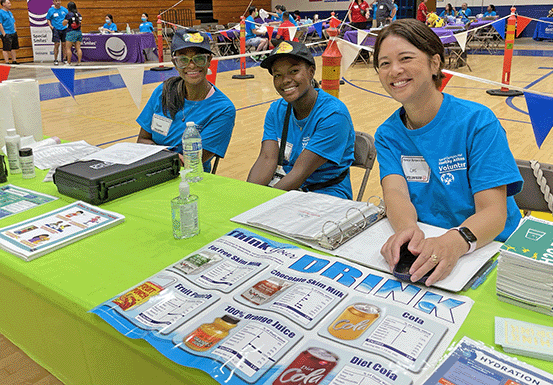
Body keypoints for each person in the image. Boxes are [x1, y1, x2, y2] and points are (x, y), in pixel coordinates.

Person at [372, 19, 523, 286]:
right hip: (428, 243)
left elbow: (494, 213)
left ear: (434, 64)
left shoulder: (477, 122)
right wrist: (408, 230)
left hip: (487, 247)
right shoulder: (387, 134)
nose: (394, 70)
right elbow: (395, 192)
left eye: (405, 58)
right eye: (384, 63)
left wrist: (456, 241)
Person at [247, 41, 355, 199]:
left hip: (326, 194)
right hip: (288, 187)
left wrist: (263, 201)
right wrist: (247, 195)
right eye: (278, 75)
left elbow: (300, 172)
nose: (285, 80)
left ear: (311, 72)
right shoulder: (276, 110)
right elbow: (267, 159)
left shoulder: (333, 115)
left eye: (294, 71)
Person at [136, 28, 235, 173]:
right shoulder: (162, 92)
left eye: (199, 58)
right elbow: (142, 140)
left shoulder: (222, 109)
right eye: (183, 59)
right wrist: (171, 155)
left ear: (209, 61)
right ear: (175, 63)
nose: (192, 65)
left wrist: (160, 154)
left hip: (192, 180)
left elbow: (192, 162)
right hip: (152, 172)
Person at [46, 0, 69, 65]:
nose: (58, 2)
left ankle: (64, 59)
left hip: (64, 29)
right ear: (53, 2)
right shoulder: (51, 10)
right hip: (56, 29)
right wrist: (50, 26)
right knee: (57, 44)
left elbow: (69, 17)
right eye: (56, 1)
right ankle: (55, 59)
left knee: (64, 44)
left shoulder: (64, 10)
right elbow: (48, 19)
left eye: (59, 1)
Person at [0, 0, 19, 64]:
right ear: (3, 4)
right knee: (6, 48)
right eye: (8, 3)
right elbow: (0, 23)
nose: (10, 5)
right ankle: (7, 62)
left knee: (13, 47)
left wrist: (15, 31)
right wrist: (4, 34)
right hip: (6, 33)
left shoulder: (10, 12)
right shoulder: (1, 12)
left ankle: (14, 60)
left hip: (12, 32)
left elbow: (13, 22)